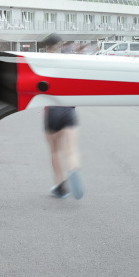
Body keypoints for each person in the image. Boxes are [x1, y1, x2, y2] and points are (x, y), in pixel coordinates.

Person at [40, 33, 84, 199]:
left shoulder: (42, 63)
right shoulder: (70, 61)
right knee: (71, 150)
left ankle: (60, 185)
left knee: (55, 151)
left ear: (47, 47)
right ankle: (73, 169)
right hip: (70, 110)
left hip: (52, 111)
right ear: (61, 45)